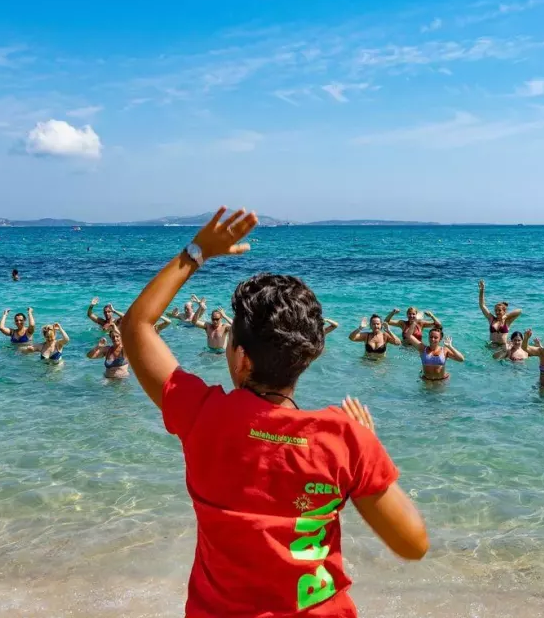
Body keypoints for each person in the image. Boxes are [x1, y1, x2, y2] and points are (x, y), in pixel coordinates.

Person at [119, 207, 428, 617]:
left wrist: (197, 252)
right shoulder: (344, 440)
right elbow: (413, 544)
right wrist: (367, 448)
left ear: (241, 358)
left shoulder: (202, 415)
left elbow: (136, 326)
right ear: (310, 355)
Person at [478, 280, 521, 345]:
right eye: (496, 310)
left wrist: (506, 316)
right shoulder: (491, 319)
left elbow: (519, 311)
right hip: (491, 346)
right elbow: (482, 305)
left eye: (499, 310)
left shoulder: (507, 321)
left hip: (503, 347)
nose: (497, 312)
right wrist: (482, 290)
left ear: (504, 311)